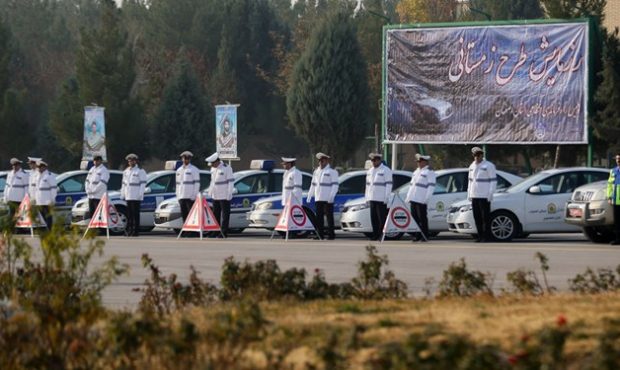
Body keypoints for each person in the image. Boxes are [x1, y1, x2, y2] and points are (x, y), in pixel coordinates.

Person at [468, 146, 497, 242]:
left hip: (484, 196)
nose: (476, 157)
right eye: (474, 155)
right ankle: (480, 236)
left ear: (481, 155)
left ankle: (486, 236)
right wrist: (469, 194)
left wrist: (490, 194)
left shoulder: (489, 166)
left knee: (485, 218)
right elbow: (470, 182)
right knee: (477, 217)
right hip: (474, 195)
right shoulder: (472, 166)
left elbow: (493, 181)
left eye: (478, 155)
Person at [307, 152, 339, 240]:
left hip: (327, 198)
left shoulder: (332, 172)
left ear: (327, 161)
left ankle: (331, 235)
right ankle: (319, 234)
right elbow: (313, 184)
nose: (321, 162)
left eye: (322, 160)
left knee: (329, 217)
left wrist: (331, 196)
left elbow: (335, 185)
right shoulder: (316, 172)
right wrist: (310, 195)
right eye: (319, 160)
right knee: (319, 218)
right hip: (318, 197)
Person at [405, 154, 436, 242]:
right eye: (418, 162)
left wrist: (426, 198)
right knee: (415, 219)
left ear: (425, 162)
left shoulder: (429, 172)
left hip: (421, 199)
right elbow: (412, 186)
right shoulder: (416, 172)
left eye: (420, 161)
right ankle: (417, 236)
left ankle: (425, 235)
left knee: (422, 218)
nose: (418, 163)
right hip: (414, 198)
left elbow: (431, 187)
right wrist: (408, 196)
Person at [365, 153, 393, 241]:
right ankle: (375, 235)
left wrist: (387, 197)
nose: (373, 162)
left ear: (379, 160)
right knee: (373, 218)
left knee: (381, 218)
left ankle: (382, 235)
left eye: (375, 160)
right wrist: (367, 197)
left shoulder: (385, 170)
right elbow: (367, 186)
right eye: (372, 160)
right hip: (372, 197)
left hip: (381, 198)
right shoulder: (370, 171)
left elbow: (389, 185)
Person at [206, 152, 234, 237]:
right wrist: (210, 191)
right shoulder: (213, 169)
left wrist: (229, 193)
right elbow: (212, 182)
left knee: (225, 215)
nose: (211, 165)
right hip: (215, 195)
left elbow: (230, 182)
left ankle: (224, 232)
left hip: (224, 195)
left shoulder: (226, 168)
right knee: (215, 214)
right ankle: (216, 231)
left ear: (216, 161)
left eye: (212, 163)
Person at [120, 153, 147, 237]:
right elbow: (124, 184)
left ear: (135, 161)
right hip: (128, 195)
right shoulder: (126, 171)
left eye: (132, 161)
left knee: (135, 214)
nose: (131, 162)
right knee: (129, 214)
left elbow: (143, 184)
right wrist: (122, 194)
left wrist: (140, 194)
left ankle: (135, 231)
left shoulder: (140, 171)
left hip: (136, 196)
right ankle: (129, 230)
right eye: (129, 161)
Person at [176, 151, 201, 225]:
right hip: (181, 196)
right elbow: (177, 184)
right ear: (182, 159)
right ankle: (186, 231)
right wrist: (178, 195)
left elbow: (197, 184)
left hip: (190, 197)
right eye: (184, 158)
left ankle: (192, 232)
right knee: (184, 215)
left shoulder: (194, 169)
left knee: (192, 216)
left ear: (190, 159)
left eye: (187, 158)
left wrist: (194, 195)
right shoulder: (179, 170)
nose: (185, 160)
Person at [85, 154, 110, 220]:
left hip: (98, 196)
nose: (95, 162)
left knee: (99, 214)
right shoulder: (92, 169)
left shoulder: (104, 170)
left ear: (100, 161)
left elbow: (102, 183)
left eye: (97, 161)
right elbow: (87, 181)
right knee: (92, 214)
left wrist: (94, 190)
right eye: (94, 161)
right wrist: (87, 189)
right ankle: (93, 230)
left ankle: (100, 230)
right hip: (91, 196)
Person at [34, 160, 57, 229]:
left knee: (48, 216)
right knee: (43, 216)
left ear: (44, 167)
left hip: (47, 200)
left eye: (40, 167)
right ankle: (47, 229)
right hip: (39, 200)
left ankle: (49, 230)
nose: (38, 168)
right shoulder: (37, 176)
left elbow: (53, 189)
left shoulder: (49, 176)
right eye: (38, 167)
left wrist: (52, 199)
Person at [606, 153, 620, 245]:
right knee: (617, 221)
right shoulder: (613, 171)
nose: (618, 160)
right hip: (616, 200)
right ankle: (618, 239)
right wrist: (609, 197)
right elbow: (610, 185)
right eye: (617, 158)